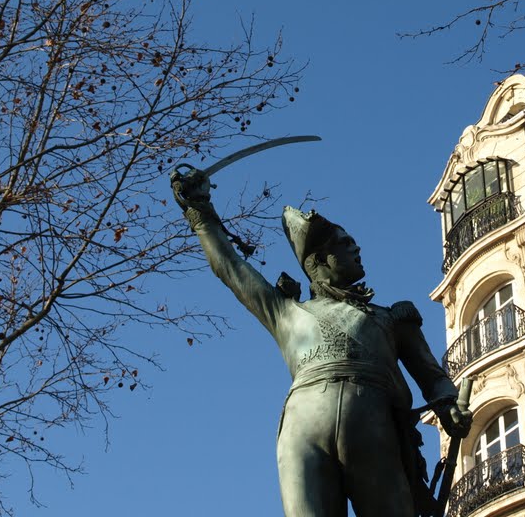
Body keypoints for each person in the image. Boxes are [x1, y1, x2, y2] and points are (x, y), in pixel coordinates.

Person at [171, 167, 472, 517]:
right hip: (303, 432)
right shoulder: (284, 312)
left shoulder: (392, 318)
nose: (356, 247)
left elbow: (431, 375)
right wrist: (199, 211)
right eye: (344, 244)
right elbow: (230, 267)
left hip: (374, 425)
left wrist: (447, 402)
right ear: (319, 261)